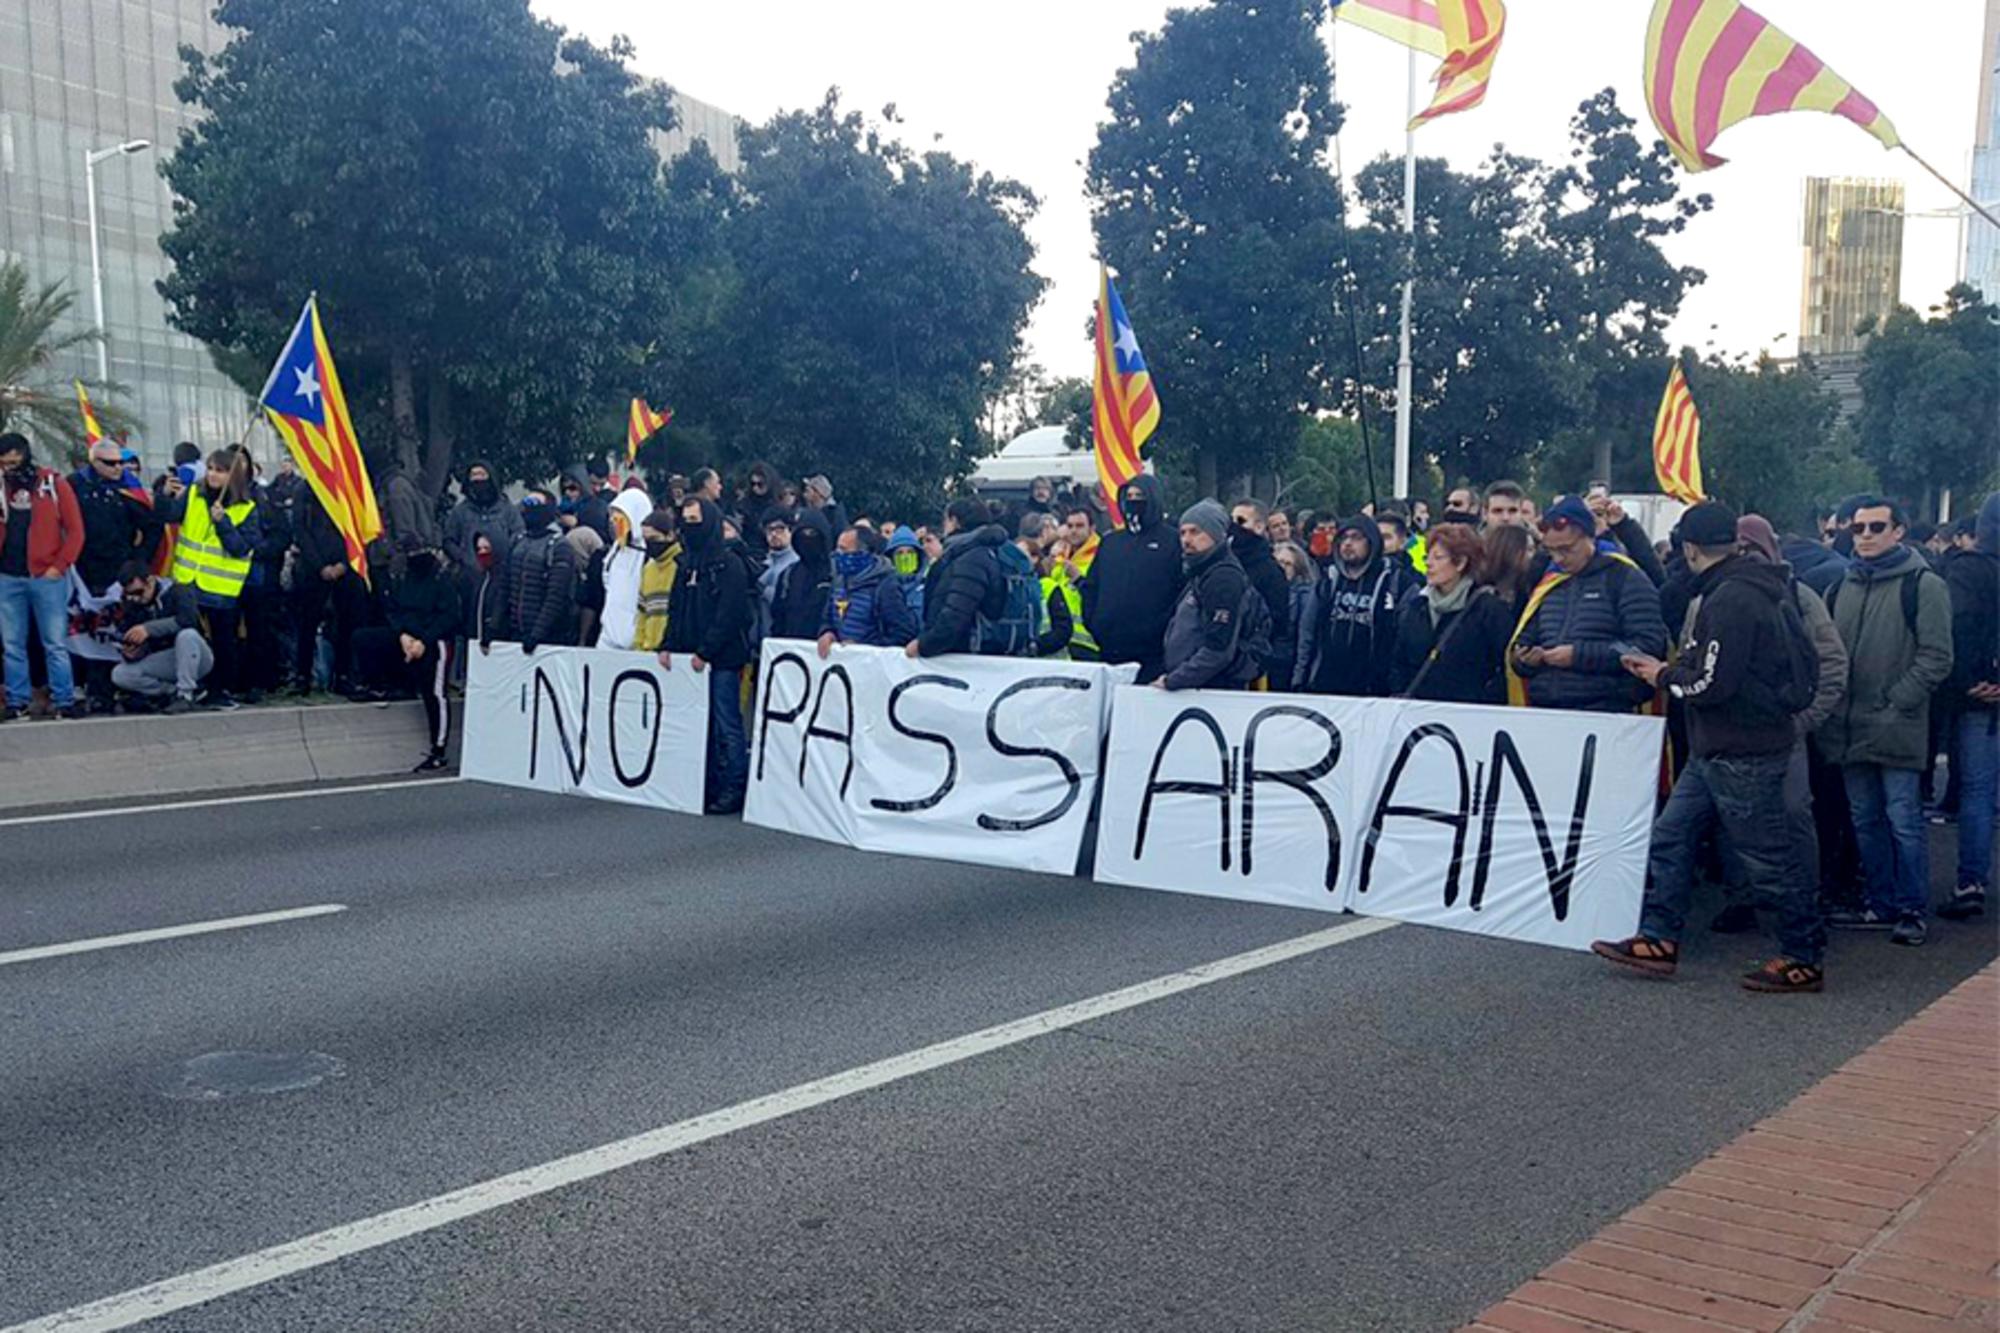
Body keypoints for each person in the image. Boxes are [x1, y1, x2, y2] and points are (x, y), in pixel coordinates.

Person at [1595, 501, 1827, 993]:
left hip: (1741, 746)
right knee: (1671, 836)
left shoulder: (1731, 600)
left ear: (1689, 548)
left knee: (1768, 859)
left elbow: (1711, 682)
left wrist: (1663, 675)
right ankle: (1659, 936)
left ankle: (1801, 954)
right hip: (1719, 746)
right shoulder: (1756, 587)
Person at [1816, 498, 1954, 946]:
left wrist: (1897, 701)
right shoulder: (1842, 585)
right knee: (1865, 820)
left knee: (1903, 820)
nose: (1867, 535)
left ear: (1899, 531)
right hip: (1849, 725)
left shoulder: (1923, 584)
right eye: (1859, 528)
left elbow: (1937, 656)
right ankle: (1880, 901)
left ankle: (1911, 907)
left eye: (1877, 526)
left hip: (1895, 724)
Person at [1707, 515, 1850, 936]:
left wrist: (1804, 720)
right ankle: (1743, 897)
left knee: (1792, 814)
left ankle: (1806, 903)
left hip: (1781, 730)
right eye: (1738, 549)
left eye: (1752, 549)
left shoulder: (1798, 595)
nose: (1745, 557)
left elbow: (1833, 662)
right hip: (1729, 735)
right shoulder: (1711, 596)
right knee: (1729, 815)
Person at [1507, 496, 1666, 713]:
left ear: (1590, 537)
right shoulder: (1550, 583)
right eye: (1551, 550)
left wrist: (1578, 656)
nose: (1558, 558)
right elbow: (1526, 637)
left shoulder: (1625, 578)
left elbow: (1647, 646)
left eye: (1566, 549)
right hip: (1547, 710)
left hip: (1608, 710)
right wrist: (1524, 659)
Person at [659, 497, 752, 814]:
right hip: (689, 659)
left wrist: (705, 651)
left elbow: (730, 614)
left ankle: (733, 787)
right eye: (685, 519)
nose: (690, 526)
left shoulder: (730, 564)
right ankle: (704, 783)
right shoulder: (685, 563)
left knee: (726, 724)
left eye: (696, 519)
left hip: (721, 659)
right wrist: (668, 643)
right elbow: (675, 607)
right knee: (696, 726)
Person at [160, 449, 261, 711]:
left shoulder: (246, 508)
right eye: (211, 468)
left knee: (222, 640)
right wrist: (164, 496)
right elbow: (169, 515)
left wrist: (223, 523)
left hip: (220, 587)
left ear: (233, 474)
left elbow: (242, 548)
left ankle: (220, 690)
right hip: (187, 581)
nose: (213, 475)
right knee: (186, 635)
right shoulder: (194, 493)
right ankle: (189, 688)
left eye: (220, 470)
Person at [1937, 494, 1998, 921]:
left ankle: (1971, 881)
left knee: (1977, 792)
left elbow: (1957, 629)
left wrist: (1969, 683)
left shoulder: (1969, 570)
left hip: (1980, 697)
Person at [0, 433, 86, 720]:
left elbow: (76, 531)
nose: (9, 463)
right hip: (7, 576)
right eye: (4, 458)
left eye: (14, 456)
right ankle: (17, 700)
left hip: (46, 576)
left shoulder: (53, 484)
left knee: (55, 643)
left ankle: (63, 699)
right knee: (12, 645)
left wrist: (59, 567)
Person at [352, 546, 459, 771]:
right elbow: (395, 610)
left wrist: (424, 640)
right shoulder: (402, 576)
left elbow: (450, 616)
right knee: (365, 639)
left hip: (434, 640)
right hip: (407, 637)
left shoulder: (442, 579)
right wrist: (403, 635)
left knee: (435, 694)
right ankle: (380, 685)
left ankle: (438, 749)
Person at [1294, 515, 1416, 697]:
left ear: (1372, 542)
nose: (1348, 543)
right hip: (1325, 686)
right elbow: (1307, 632)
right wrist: (1299, 679)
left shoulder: (1396, 582)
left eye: (1357, 538)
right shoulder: (1329, 580)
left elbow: (1406, 639)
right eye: (1344, 538)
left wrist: (1399, 688)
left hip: (1375, 691)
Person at [1389, 523, 1511, 704]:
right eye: (1427, 557)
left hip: (1469, 713)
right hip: (1418, 714)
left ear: (1461, 562)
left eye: (1438, 558)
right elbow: (1399, 662)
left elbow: (1503, 667)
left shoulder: (1488, 609)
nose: (1428, 564)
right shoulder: (1417, 606)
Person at [1079, 474, 1181, 681]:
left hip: (1153, 653)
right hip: (1109, 648)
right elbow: (1092, 586)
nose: (1134, 501)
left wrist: (1161, 630)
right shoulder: (1111, 542)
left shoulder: (1172, 541)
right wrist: (1095, 622)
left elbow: (1181, 590)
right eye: (1129, 496)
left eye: (1140, 496)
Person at [1159, 501, 1264, 692]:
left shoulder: (1223, 578)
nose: (1186, 539)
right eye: (1182, 533)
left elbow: (1219, 649)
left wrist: (1174, 680)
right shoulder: (1201, 572)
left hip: (1212, 690)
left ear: (1216, 534)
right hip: (1195, 687)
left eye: (1195, 531)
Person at [291, 488, 369, 695]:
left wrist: (344, 563)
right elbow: (300, 529)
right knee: (307, 624)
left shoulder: (348, 486)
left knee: (347, 623)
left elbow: (359, 528)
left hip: (346, 568)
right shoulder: (305, 490)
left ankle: (343, 675)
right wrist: (320, 566)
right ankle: (303, 676)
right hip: (312, 568)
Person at [107, 561, 209, 713]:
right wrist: (134, 652)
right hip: (166, 660)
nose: (135, 598)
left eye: (138, 593)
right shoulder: (133, 606)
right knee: (120, 674)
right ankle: (171, 692)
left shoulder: (178, 590)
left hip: (196, 657)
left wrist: (149, 629)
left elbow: (188, 620)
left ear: (150, 581)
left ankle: (186, 695)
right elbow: (130, 637)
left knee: (187, 635)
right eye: (129, 595)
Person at [913, 499, 1009, 658]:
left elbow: (956, 614)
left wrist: (924, 645)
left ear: (954, 521)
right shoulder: (990, 550)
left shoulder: (971, 558)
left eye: (946, 520)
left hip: (969, 654)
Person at [69, 438, 163, 599]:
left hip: (120, 564)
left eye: (120, 462)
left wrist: (140, 560)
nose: (118, 467)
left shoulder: (129, 486)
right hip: (83, 564)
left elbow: (153, 526)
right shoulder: (74, 484)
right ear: (94, 462)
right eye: (110, 463)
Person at [491, 489, 580, 652]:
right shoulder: (517, 541)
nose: (527, 508)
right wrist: (494, 626)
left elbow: (556, 595)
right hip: (515, 634)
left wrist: (537, 634)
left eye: (533, 503)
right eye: (525, 503)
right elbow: (504, 587)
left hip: (549, 639)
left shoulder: (560, 546)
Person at [818, 526, 920, 653]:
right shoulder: (838, 581)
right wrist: (827, 633)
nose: (838, 555)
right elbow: (827, 619)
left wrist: (864, 647)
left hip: (872, 668)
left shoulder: (885, 586)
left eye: (844, 550)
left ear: (862, 553)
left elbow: (903, 633)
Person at [1229, 499, 1292, 686]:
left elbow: (1278, 618)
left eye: (1240, 521)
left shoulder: (1270, 571)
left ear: (1258, 527)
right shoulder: (1227, 562)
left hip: (1254, 663)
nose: (1234, 527)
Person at [595, 489, 659, 652]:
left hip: (636, 643)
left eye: (619, 517)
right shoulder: (616, 550)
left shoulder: (649, 554)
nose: (613, 522)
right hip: (607, 638)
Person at [443, 460, 523, 573]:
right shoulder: (460, 512)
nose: (478, 479)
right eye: (474, 475)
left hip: (503, 573)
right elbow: (449, 541)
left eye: (482, 474)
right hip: (469, 576)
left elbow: (519, 535)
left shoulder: (508, 510)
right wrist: (464, 559)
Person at [771, 511, 833, 640]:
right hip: (792, 649)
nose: (807, 539)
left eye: (812, 534)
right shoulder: (788, 575)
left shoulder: (836, 573)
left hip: (826, 650)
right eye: (802, 535)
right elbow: (778, 616)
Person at [757, 510, 799, 637]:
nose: (774, 534)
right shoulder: (764, 564)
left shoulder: (796, 564)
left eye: (780, 529)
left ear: (791, 531)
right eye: (769, 530)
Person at [1482, 523, 1535, 612]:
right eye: (1528, 549)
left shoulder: (1526, 589)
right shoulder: (1479, 593)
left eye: (1533, 549)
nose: (1532, 555)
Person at [884, 525, 928, 625]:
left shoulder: (927, 584)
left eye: (910, 552)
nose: (905, 557)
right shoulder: (883, 586)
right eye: (899, 553)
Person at [737, 461, 783, 554]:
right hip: (748, 551)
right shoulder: (743, 505)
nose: (755, 488)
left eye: (760, 484)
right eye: (753, 484)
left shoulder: (777, 508)